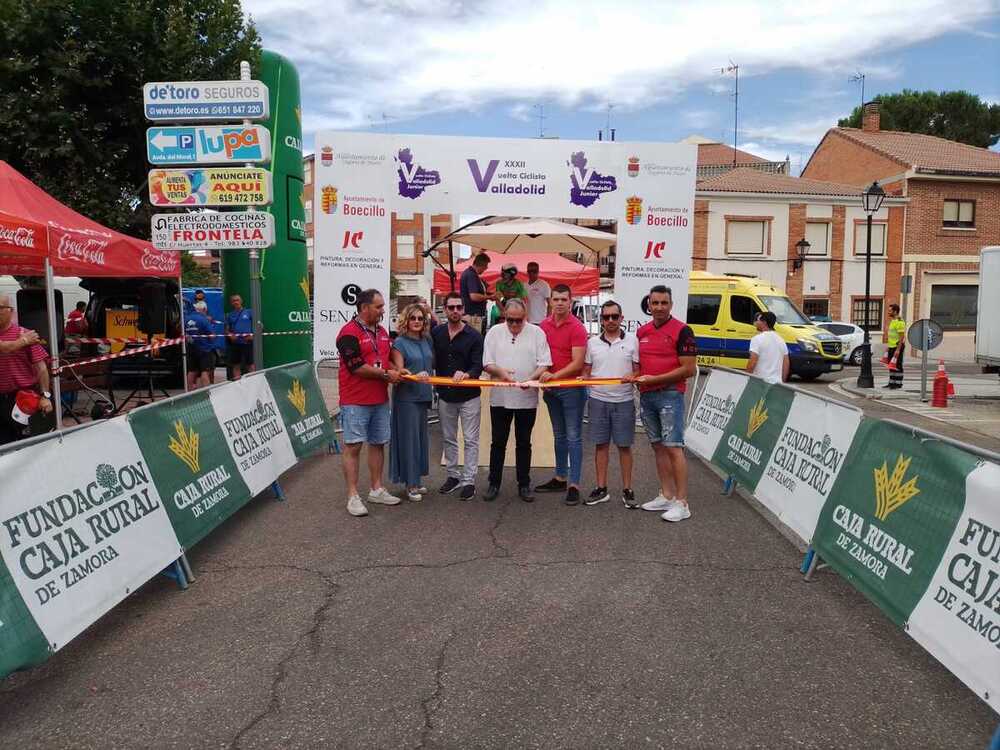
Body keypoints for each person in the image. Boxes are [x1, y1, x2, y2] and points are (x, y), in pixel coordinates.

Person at [627, 285, 698, 523]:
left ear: (671, 304)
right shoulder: (642, 331)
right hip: (647, 396)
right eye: (654, 303)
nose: (659, 307)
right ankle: (666, 495)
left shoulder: (683, 331)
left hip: (670, 395)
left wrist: (655, 379)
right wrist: (636, 376)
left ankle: (682, 502)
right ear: (649, 305)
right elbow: (639, 364)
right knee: (658, 447)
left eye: (663, 303)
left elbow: (688, 369)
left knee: (674, 448)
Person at [336, 289, 403, 517]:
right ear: (364, 308)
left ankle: (376, 489)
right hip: (355, 400)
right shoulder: (348, 333)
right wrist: (387, 375)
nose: (383, 310)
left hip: (380, 399)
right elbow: (357, 367)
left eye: (382, 306)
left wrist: (398, 368)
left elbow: (391, 354)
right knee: (353, 446)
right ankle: (353, 496)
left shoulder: (382, 331)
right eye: (379, 306)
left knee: (378, 443)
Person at [482, 298, 551, 502]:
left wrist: (531, 379)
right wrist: (501, 372)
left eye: (518, 321)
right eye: (510, 320)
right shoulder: (494, 332)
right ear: (504, 317)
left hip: (526, 397)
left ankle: (524, 484)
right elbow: (487, 363)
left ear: (526, 317)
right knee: (498, 443)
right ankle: (494, 483)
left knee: (524, 443)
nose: (513, 325)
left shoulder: (537, 333)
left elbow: (545, 363)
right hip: (500, 397)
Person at [537, 284, 589, 506]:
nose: (559, 303)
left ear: (571, 301)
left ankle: (574, 484)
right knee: (559, 436)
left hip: (571, 390)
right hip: (551, 390)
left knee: (574, 436)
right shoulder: (543, 326)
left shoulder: (577, 328)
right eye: (555, 299)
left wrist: (554, 375)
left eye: (563, 299)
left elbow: (578, 363)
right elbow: (539, 357)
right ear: (550, 301)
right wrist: (539, 376)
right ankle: (560, 477)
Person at [583, 300, 638, 508]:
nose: (611, 320)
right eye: (606, 317)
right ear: (601, 320)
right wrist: (583, 378)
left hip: (623, 400)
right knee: (601, 446)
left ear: (621, 318)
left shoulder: (633, 341)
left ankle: (627, 489)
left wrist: (633, 375)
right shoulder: (592, 343)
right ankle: (601, 488)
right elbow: (587, 370)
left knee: (624, 446)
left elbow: (638, 369)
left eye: (615, 316)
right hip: (598, 400)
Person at [431, 292, 484, 502]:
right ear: (445, 309)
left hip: (469, 396)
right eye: (451, 307)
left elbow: (478, 364)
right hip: (445, 395)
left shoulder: (475, 336)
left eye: (458, 307)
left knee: (471, 440)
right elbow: (430, 358)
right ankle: (453, 476)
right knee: (448, 438)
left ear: (463, 310)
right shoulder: (436, 333)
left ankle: (469, 481)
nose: (455, 311)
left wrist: (468, 374)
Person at [389, 303, 434, 501]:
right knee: (409, 441)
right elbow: (401, 371)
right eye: (413, 318)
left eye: (420, 318)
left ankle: (416, 479)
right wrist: (414, 374)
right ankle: (410, 484)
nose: (417, 321)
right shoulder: (399, 343)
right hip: (406, 398)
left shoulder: (426, 340)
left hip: (423, 396)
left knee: (419, 440)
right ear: (406, 320)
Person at [0, 294, 51, 445]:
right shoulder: (26, 337)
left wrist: (45, 396)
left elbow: (41, 368)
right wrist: (23, 341)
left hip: (22, 399)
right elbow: (5, 348)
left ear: (11, 311)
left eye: (0, 308)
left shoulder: (25, 333)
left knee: (27, 446)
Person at [747, 311, 789, 385]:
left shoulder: (757, 339)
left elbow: (752, 362)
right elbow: (786, 364)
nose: (756, 322)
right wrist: (782, 382)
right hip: (776, 384)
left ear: (764, 322)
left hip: (760, 383)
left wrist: (746, 378)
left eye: (758, 320)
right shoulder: (781, 341)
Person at [184, 304, 215, 390]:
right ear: (204, 309)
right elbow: (212, 335)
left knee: (191, 371)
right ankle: (206, 393)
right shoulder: (204, 320)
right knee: (204, 371)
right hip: (204, 349)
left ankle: (189, 393)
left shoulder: (186, 319)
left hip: (191, 348)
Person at [489, 262, 528, 328]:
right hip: (503, 309)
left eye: (505, 275)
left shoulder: (518, 284)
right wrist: (503, 312)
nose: (503, 276)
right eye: (502, 274)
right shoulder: (499, 283)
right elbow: (498, 299)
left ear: (512, 275)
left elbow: (523, 300)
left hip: (516, 308)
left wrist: (523, 313)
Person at [225, 294, 254, 380]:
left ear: (241, 301)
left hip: (247, 343)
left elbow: (259, 325)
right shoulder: (229, 315)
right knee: (236, 365)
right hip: (235, 344)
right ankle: (237, 385)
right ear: (231, 303)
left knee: (250, 364)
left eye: (237, 300)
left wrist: (252, 336)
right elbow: (226, 329)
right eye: (233, 301)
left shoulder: (249, 312)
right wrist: (230, 336)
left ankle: (253, 383)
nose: (236, 302)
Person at [460, 253, 491, 333]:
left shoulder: (471, 274)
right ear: (482, 264)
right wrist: (489, 297)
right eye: (486, 266)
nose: (486, 268)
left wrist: (489, 294)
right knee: (475, 340)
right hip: (473, 316)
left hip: (473, 315)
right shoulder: (471, 275)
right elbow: (473, 296)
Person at [884, 303, 906, 389]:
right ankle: (891, 382)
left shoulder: (900, 322)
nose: (888, 312)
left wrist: (898, 349)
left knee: (897, 365)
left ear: (895, 311)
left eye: (890, 311)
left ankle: (898, 383)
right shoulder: (893, 321)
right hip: (891, 346)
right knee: (891, 365)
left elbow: (901, 337)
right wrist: (888, 346)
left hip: (897, 346)